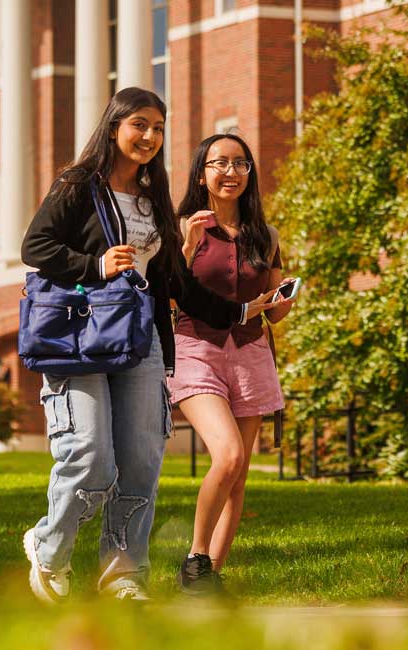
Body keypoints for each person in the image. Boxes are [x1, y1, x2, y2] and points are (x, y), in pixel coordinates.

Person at [19, 88, 287, 603]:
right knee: (90, 457)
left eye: (158, 128)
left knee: (142, 463)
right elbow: (36, 246)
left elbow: (172, 280)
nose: (149, 136)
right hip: (82, 338)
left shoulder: (153, 196)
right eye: (139, 125)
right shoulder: (79, 185)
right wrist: (95, 265)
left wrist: (236, 313)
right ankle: (49, 547)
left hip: (141, 338)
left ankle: (123, 574)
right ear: (114, 127)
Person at [168, 133, 296, 597]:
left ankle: (208, 579)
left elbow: (274, 311)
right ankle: (195, 560)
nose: (231, 172)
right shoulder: (182, 227)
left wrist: (282, 300)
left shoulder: (267, 235)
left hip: (251, 352)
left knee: (237, 478)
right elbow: (166, 295)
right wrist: (187, 247)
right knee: (228, 455)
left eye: (240, 163)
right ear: (201, 173)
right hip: (195, 348)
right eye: (219, 163)